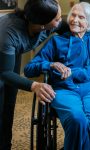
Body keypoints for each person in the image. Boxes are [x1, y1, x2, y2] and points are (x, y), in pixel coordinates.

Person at [24, 2, 90, 150]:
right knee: (77, 120)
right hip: (64, 88)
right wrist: (50, 65)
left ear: (89, 22)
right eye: (73, 15)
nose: (75, 20)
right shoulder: (56, 41)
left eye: (81, 17)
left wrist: (85, 73)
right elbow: (28, 69)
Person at [0, 0, 71, 149]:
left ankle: (5, 144)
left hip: (13, 52)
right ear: (42, 25)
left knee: (9, 103)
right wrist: (35, 85)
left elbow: (74, 30)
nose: (60, 22)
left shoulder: (47, 24)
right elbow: (4, 72)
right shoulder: (10, 32)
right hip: (3, 54)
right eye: (57, 19)